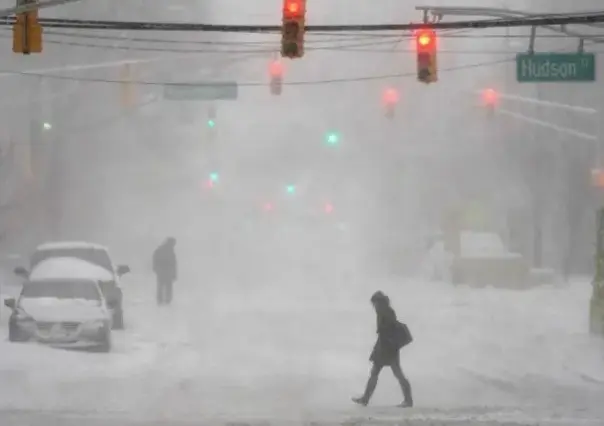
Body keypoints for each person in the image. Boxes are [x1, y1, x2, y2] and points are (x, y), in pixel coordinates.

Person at [352, 291, 413, 407]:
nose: (374, 306)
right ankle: (365, 398)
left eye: (375, 304)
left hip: (388, 348)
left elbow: (388, 330)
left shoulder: (387, 312)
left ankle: (408, 400)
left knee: (396, 374)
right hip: (384, 347)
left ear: (380, 302)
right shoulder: (384, 312)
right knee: (377, 373)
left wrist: (387, 342)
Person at [152, 237, 177, 305]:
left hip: (162, 271)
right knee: (166, 286)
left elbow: (173, 263)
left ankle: (162, 300)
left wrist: (155, 268)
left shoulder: (160, 250)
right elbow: (173, 263)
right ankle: (166, 300)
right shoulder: (168, 251)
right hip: (165, 271)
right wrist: (174, 273)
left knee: (162, 285)